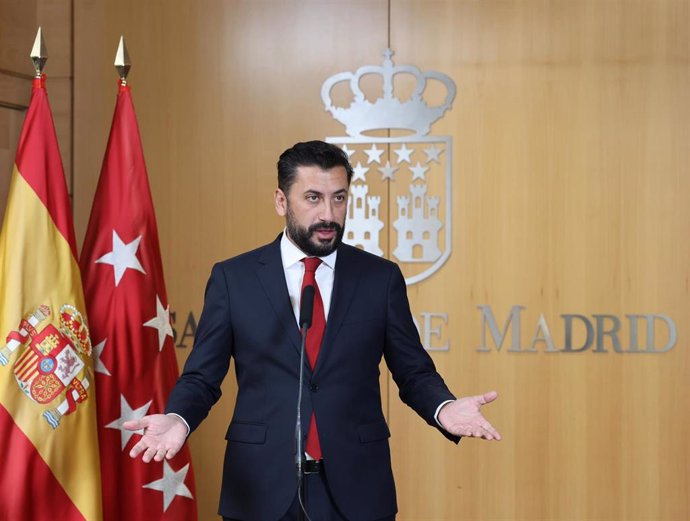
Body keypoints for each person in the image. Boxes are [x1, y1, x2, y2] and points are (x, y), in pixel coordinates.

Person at [124, 140, 501, 521]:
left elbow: (413, 371)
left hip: (357, 489)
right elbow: (202, 376)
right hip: (260, 488)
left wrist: (443, 407)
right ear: (281, 201)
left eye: (339, 198)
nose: (329, 213)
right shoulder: (233, 279)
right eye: (313, 198)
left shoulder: (379, 278)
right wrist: (178, 418)